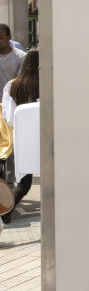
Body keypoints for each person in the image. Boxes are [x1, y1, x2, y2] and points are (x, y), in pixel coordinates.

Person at [1, 49, 37, 224]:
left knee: (24, 183)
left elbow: (8, 117)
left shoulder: (12, 85)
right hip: (46, 138)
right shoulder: (49, 83)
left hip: (22, 139)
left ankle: (6, 211)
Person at [0, 25, 25, 91]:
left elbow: (21, 82)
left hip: (12, 99)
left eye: (1, 38)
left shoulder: (21, 57)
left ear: (9, 37)